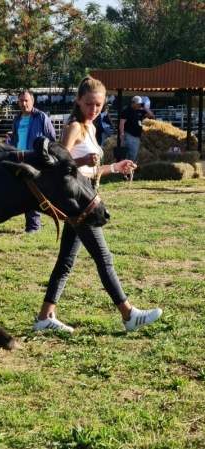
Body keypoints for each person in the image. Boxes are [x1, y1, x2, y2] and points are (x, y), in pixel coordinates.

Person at [33, 77, 162, 333]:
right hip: (80, 203)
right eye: (89, 104)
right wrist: (80, 163)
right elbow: (58, 167)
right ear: (79, 101)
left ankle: (45, 317)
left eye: (99, 105)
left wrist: (115, 167)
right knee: (104, 258)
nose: (94, 109)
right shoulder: (74, 128)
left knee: (66, 261)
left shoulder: (90, 128)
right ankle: (128, 315)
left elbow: (92, 169)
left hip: (87, 196)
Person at [11, 90, 56, 233]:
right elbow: (14, 139)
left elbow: (51, 139)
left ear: (32, 101)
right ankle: (31, 224)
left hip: (35, 159)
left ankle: (33, 226)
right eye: (21, 101)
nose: (24, 104)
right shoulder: (17, 119)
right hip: (20, 159)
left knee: (33, 192)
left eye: (26, 101)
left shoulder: (41, 117)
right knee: (22, 191)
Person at [119, 95, 154, 162]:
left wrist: (144, 107)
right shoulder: (127, 110)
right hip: (129, 135)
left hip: (137, 136)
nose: (139, 105)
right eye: (138, 104)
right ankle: (126, 169)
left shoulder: (140, 111)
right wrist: (122, 134)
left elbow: (151, 116)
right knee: (130, 154)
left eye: (140, 104)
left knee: (133, 154)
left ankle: (128, 169)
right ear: (133, 103)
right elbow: (122, 123)